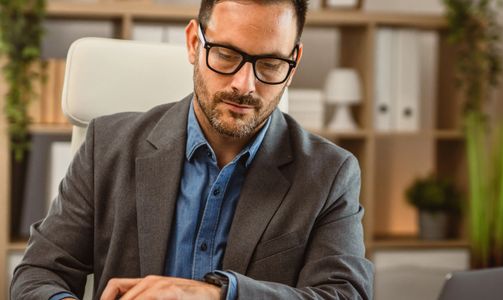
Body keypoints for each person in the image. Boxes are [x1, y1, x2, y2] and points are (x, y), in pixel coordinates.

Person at [10, 0, 373, 299]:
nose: (244, 85)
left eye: (270, 63)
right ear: (193, 43)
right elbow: (38, 274)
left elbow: (346, 294)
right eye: (227, 55)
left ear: (293, 63)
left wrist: (219, 295)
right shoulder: (107, 145)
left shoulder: (330, 173)